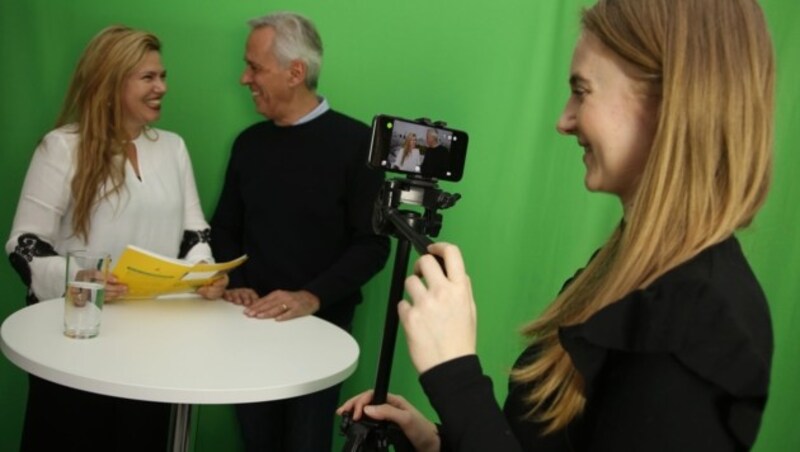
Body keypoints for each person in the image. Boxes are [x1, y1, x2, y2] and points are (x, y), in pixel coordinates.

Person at [338, 0, 775, 450]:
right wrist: (439, 442)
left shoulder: (698, 325)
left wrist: (455, 377)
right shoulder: (628, 266)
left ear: (672, 101)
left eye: (582, 91)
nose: (564, 121)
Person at [5, 25, 227, 451]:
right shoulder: (61, 148)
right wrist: (81, 277)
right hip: (76, 339)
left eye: (162, 76)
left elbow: (195, 233)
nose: (161, 87)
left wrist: (204, 272)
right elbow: (24, 244)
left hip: (153, 342)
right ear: (110, 81)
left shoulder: (173, 148)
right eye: (148, 77)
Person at [209, 12, 390, 452]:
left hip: (320, 332)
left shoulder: (358, 145)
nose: (243, 77)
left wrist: (311, 297)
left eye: (255, 67)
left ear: (296, 72)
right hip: (248, 326)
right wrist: (237, 284)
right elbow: (225, 227)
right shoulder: (248, 145)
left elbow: (372, 245)